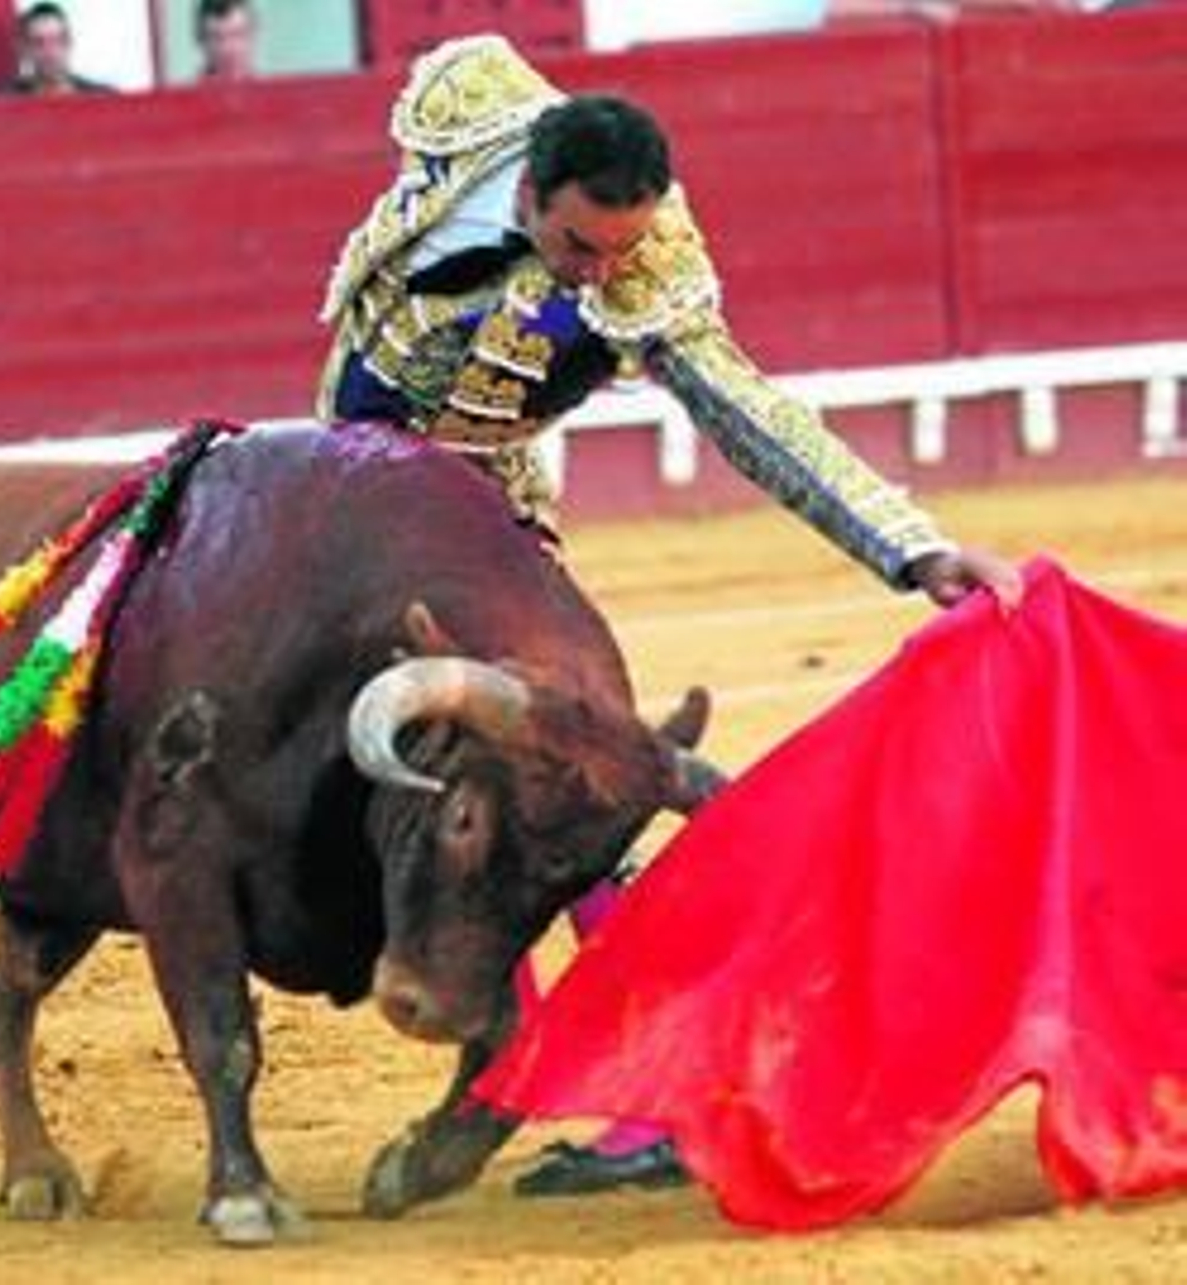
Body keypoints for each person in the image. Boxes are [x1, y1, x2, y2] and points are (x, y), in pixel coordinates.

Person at [317, 34, 1022, 1197]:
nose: (603, 273)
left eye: (624, 250)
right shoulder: (464, 99)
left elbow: (748, 413)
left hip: (478, 509)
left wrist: (913, 548)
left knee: (548, 784)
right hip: (336, 488)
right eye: (580, 245)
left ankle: (640, 1093)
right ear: (529, 187)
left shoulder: (647, 273)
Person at [4, 2, 115, 97]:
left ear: (70, 43)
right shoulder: (6, 102)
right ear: (24, 49)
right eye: (39, 43)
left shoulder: (102, 98)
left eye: (58, 41)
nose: (50, 53)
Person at [197, 0, 258, 82]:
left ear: (252, 36)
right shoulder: (185, 93)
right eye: (217, 38)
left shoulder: (270, 93)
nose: (228, 49)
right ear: (201, 41)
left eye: (236, 35)